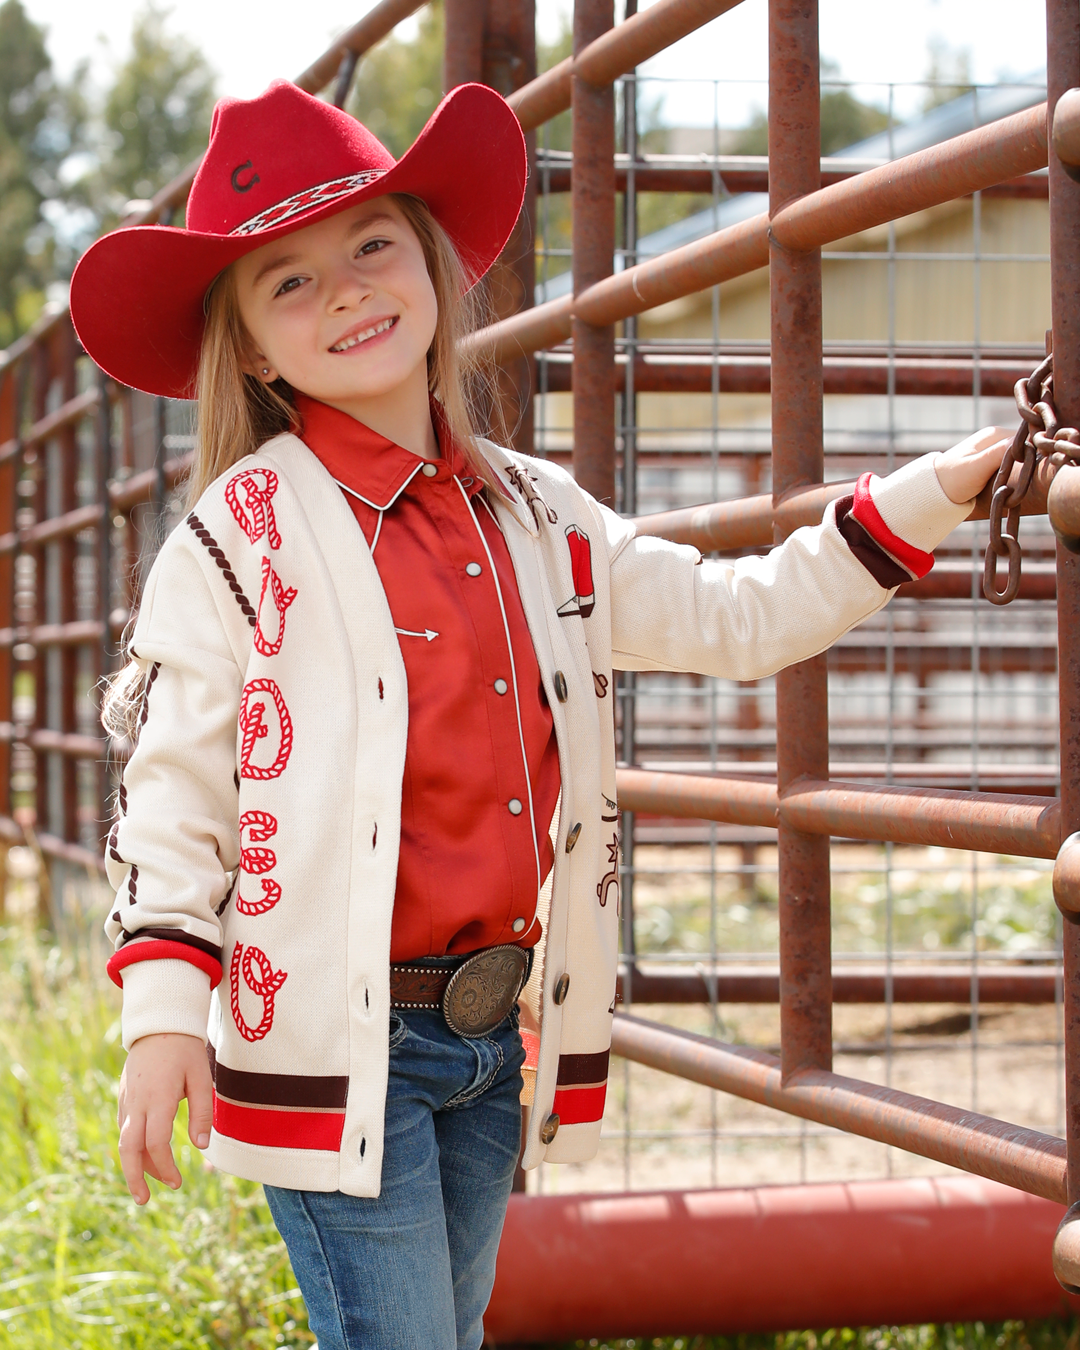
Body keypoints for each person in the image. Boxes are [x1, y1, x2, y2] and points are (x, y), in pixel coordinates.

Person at [70, 78, 1008, 1350]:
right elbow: (175, 796)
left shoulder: (543, 519)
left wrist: (941, 487)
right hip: (333, 1044)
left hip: (490, 1038)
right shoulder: (237, 542)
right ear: (246, 347)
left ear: (435, 268)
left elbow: (741, 616)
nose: (345, 291)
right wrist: (163, 1023)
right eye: (287, 282)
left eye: (371, 246)